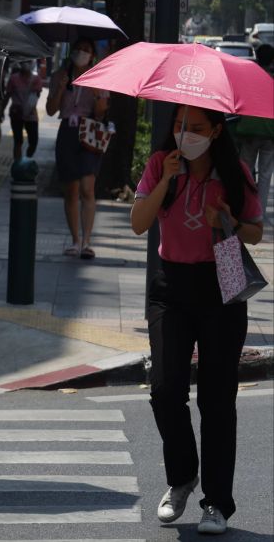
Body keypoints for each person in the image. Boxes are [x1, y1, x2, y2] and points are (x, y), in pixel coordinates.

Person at [131, 104, 263, 535]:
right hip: (170, 286)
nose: (185, 133)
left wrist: (226, 220)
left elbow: (256, 231)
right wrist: (167, 178)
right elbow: (138, 223)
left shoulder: (234, 172)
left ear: (216, 131)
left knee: (217, 399)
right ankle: (182, 477)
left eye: (196, 127)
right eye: (180, 124)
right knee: (166, 389)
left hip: (219, 284)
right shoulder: (159, 165)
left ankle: (217, 504)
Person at [46, 37, 109, 259]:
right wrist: (61, 88)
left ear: (93, 55)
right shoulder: (60, 76)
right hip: (67, 132)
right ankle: (75, 240)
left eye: (86, 50)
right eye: (78, 49)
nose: (82, 53)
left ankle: (87, 241)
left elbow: (101, 111)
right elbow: (51, 110)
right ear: (71, 52)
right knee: (70, 190)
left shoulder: (98, 77)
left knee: (87, 188)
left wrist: (95, 92)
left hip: (89, 132)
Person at [232, 44, 274, 224]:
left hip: (248, 131)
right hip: (270, 133)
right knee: (265, 174)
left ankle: (246, 211)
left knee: (246, 172)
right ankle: (261, 215)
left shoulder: (250, 77)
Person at [4, 61, 43, 160]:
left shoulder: (36, 79)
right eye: (24, 61)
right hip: (16, 113)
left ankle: (27, 159)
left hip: (31, 114)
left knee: (33, 141)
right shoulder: (13, 78)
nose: (27, 64)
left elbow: (37, 96)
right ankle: (18, 164)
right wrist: (1, 111)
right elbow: (7, 95)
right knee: (18, 141)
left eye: (29, 62)